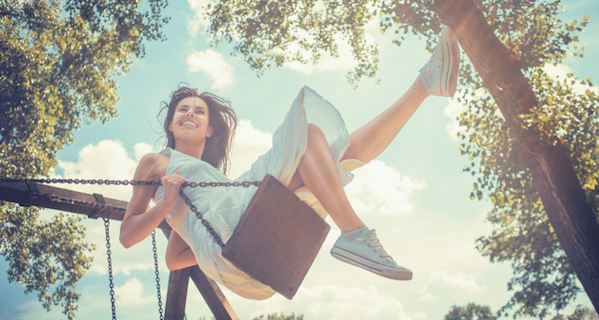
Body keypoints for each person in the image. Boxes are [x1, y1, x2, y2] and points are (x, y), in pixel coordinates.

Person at [120, 26, 460, 300]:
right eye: (183, 109)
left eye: (198, 111)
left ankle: (425, 85)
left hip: (252, 252)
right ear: (170, 124)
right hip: (235, 241)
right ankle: (355, 233)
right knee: (307, 135)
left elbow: (175, 258)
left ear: (210, 129)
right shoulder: (156, 162)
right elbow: (127, 235)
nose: (189, 114)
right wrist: (166, 205)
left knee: (334, 153)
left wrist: (200, 226)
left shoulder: (211, 185)